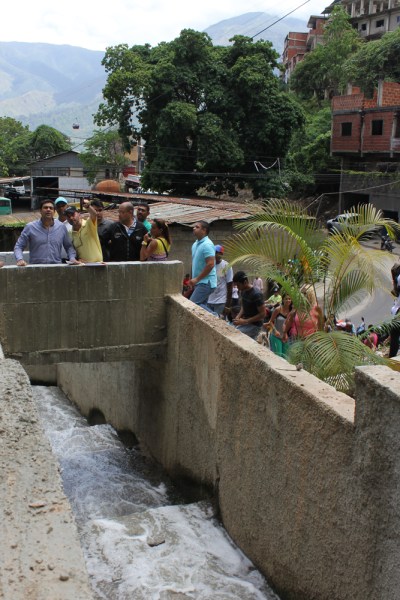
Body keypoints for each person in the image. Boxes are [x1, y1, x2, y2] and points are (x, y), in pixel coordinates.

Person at [14, 199, 78, 266]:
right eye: (45, 207)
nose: (48, 210)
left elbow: (69, 247)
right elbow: (19, 246)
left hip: (56, 268)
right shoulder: (30, 227)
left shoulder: (61, 227)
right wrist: (20, 259)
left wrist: (72, 258)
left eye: (51, 208)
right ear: (40, 211)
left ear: (54, 212)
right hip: (36, 268)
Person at [189, 221, 217, 310]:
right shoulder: (195, 244)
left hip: (206, 282)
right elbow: (194, 263)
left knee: (192, 306)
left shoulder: (207, 244)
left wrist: (197, 279)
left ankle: (215, 317)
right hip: (199, 282)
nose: (194, 228)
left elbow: (211, 264)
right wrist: (193, 279)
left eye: (197, 227)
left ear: (204, 230)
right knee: (200, 308)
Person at [232, 271, 265, 339]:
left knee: (235, 335)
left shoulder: (256, 294)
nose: (237, 288)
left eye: (238, 285)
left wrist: (245, 321)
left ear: (245, 282)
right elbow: (243, 306)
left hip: (255, 325)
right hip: (246, 322)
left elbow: (263, 314)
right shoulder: (243, 291)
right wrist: (238, 317)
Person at [207, 245, 233, 317]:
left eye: (217, 253)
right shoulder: (210, 265)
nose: (215, 254)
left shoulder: (226, 266)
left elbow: (230, 286)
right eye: (214, 252)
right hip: (208, 301)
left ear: (221, 254)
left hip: (220, 302)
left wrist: (227, 305)